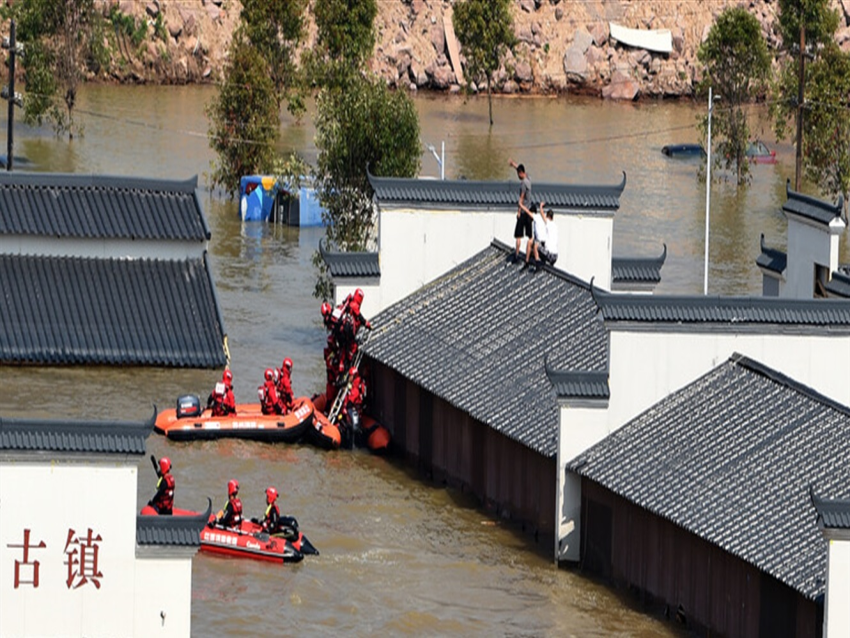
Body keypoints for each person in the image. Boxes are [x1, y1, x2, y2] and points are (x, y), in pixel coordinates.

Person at [508, 158, 533, 264]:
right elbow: (521, 170)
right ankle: (528, 257)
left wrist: (518, 212)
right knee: (530, 236)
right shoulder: (528, 179)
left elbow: (521, 198)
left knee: (518, 235)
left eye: (518, 173)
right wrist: (514, 165)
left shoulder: (523, 184)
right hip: (530, 211)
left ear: (520, 173)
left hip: (523, 212)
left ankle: (517, 256)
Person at [526, 202, 548, 271]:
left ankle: (537, 264)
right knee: (531, 242)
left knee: (533, 245)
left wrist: (521, 206)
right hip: (540, 242)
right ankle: (528, 261)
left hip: (542, 244)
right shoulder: (536, 221)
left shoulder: (536, 218)